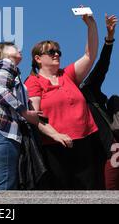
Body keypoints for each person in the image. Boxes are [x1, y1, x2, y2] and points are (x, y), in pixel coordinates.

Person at [25, 14, 99, 189]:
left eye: (58, 51)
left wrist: (91, 25)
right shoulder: (33, 82)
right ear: (38, 58)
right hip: (54, 146)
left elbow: (90, 55)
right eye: (51, 52)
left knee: (89, 192)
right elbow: (35, 116)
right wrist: (55, 135)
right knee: (63, 192)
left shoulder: (67, 75)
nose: (57, 54)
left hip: (86, 141)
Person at [0, 43, 41, 190]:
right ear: (2, 53)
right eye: (13, 47)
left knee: (3, 184)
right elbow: (1, 91)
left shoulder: (3, 70)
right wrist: (25, 112)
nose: (19, 49)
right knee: (5, 190)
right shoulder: (5, 64)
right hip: (3, 130)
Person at [80, 14, 119, 189]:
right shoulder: (54, 95)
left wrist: (109, 39)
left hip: (110, 151)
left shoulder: (87, 89)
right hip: (83, 155)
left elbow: (102, 65)